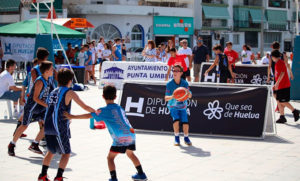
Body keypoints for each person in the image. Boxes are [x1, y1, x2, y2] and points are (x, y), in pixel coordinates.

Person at [64, 85, 148, 181]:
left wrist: (72, 116)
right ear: (115, 97)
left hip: (120, 138)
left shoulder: (103, 110)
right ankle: (141, 174)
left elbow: (88, 116)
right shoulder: (120, 108)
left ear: (103, 96)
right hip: (131, 134)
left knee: (110, 158)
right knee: (130, 154)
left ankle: (113, 178)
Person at [37, 68, 95, 181]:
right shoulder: (69, 92)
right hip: (59, 127)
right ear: (70, 80)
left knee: (51, 151)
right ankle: (59, 177)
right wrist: (96, 112)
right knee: (66, 153)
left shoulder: (53, 91)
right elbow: (85, 106)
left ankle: (42, 175)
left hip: (48, 126)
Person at [8, 61, 54, 156]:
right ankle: (12, 144)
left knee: (47, 126)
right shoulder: (40, 81)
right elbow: (35, 98)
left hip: (41, 107)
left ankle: (35, 144)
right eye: (51, 69)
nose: (53, 70)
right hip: (32, 107)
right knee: (24, 126)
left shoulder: (48, 80)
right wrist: (47, 105)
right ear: (45, 71)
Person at [165, 65, 192, 146]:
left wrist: (187, 93)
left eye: (177, 71)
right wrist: (173, 96)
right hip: (173, 106)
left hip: (183, 106)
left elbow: (190, 96)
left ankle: (186, 138)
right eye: (173, 70)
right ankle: (176, 138)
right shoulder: (169, 83)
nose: (174, 72)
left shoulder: (184, 83)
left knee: (185, 122)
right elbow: (166, 98)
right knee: (176, 120)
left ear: (181, 73)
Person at [270, 50, 299, 124]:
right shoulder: (277, 63)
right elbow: (278, 74)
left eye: (271, 57)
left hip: (284, 85)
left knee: (282, 101)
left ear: (273, 57)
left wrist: (277, 83)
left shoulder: (280, 62)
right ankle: (282, 116)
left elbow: (282, 73)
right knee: (278, 100)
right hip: (280, 85)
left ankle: (294, 111)